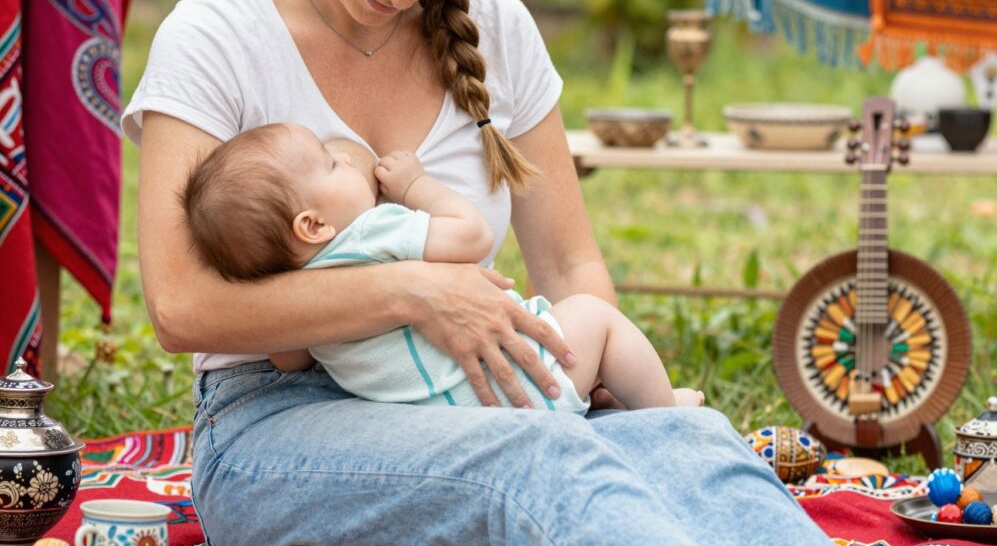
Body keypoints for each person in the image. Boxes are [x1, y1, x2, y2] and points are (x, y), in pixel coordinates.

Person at [123, 0, 864, 546]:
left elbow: (571, 267)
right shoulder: (214, 39)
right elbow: (182, 307)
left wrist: (579, 385)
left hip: (484, 400)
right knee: (540, 469)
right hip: (281, 430)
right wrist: (415, 291)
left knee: (689, 444)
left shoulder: (499, 27)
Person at [180, 121, 703, 411]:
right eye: (332, 163)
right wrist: (414, 187)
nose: (348, 160)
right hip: (516, 387)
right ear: (313, 226)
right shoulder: (374, 232)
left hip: (433, 419)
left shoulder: (298, 296)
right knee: (596, 317)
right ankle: (664, 410)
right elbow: (471, 235)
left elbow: (290, 362)